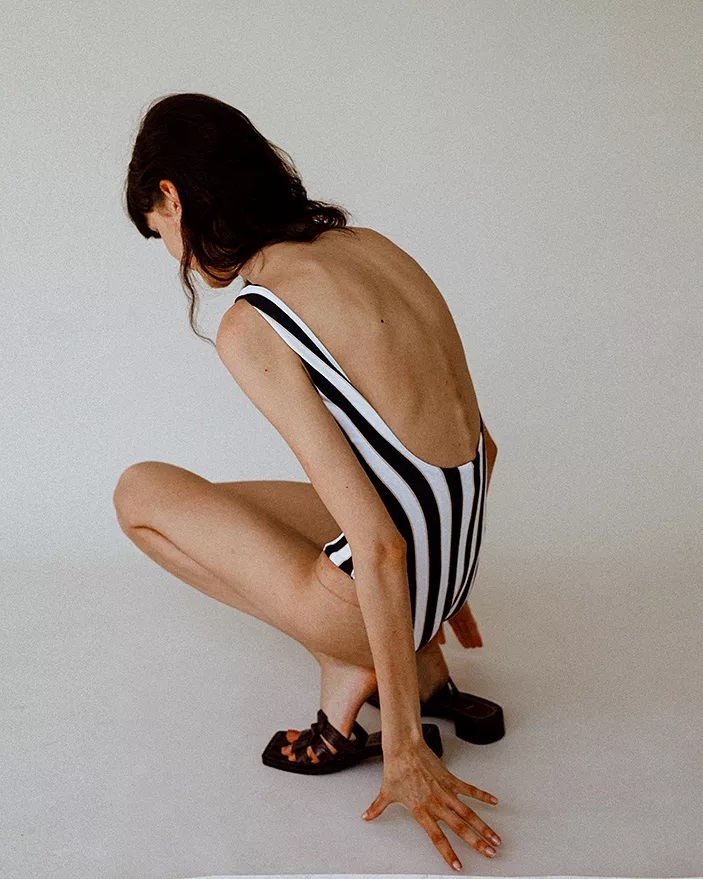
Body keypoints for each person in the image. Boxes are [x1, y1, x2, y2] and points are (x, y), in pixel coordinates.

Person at [114, 92, 502, 870]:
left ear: (172, 197)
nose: (172, 254)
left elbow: (379, 543)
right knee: (223, 507)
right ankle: (423, 661)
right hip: (449, 563)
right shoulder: (371, 246)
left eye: (159, 232)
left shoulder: (255, 320)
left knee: (141, 492)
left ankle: (348, 665)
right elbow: (481, 450)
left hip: (386, 588)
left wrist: (402, 746)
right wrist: (448, 576)